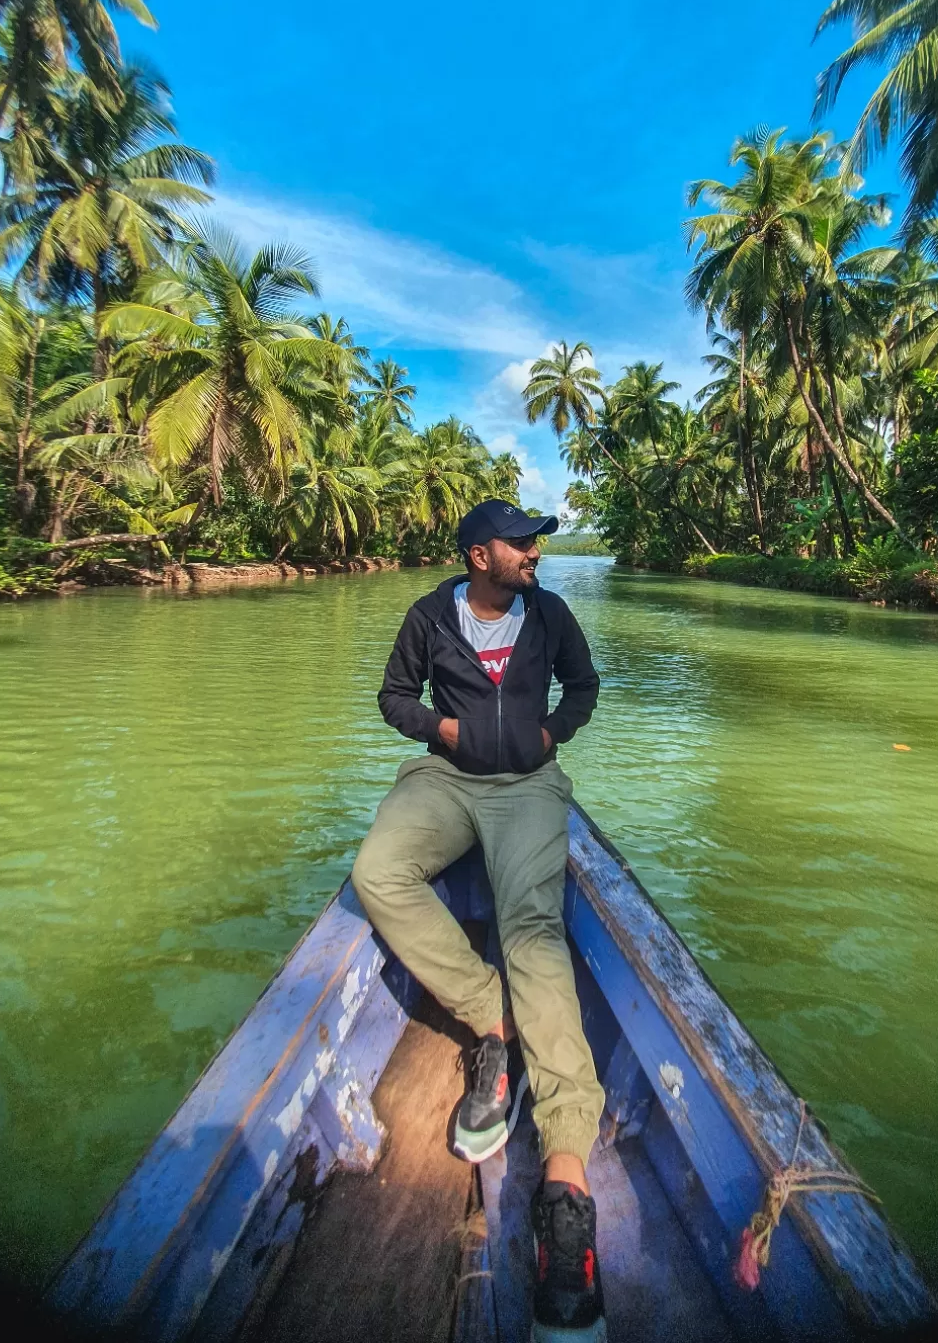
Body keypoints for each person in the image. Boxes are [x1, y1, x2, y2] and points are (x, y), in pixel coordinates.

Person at [352, 498, 607, 1342]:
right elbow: (393, 697)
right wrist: (445, 728)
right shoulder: (430, 615)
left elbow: (586, 685)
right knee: (377, 872)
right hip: (448, 781)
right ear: (477, 554)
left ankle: (566, 1186)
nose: (535, 550)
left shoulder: (552, 612)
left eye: (537, 541)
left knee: (534, 930)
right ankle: (489, 1013)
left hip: (529, 787)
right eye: (521, 541)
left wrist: (549, 736)